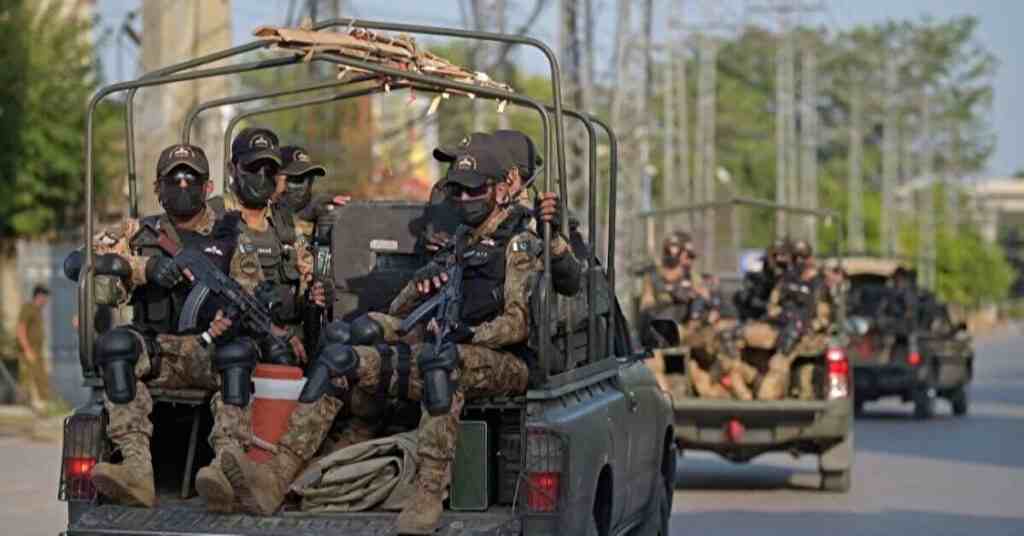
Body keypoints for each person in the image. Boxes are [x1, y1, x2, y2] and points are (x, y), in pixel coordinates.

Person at [218, 135, 557, 534]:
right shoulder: (460, 242)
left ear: (501, 190)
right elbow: (401, 312)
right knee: (339, 359)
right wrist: (421, 285)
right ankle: (276, 475)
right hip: (441, 350)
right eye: (457, 191)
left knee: (440, 360)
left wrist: (470, 332)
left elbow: (518, 323)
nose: (465, 199)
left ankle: (428, 493)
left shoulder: (519, 242)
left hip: (504, 363)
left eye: (475, 190)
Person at [79, 143, 264, 509]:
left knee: (239, 352)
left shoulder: (230, 236)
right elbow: (81, 261)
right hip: (157, 352)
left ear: (207, 187)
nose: (182, 186)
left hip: (207, 352)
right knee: (116, 345)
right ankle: (136, 470)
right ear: (157, 187)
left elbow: (249, 292)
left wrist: (227, 317)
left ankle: (226, 468)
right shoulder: (137, 232)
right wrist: (144, 268)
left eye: (191, 179)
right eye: (173, 179)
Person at [756, 245, 832, 400]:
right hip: (779, 327)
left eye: (803, 257)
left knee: (784, 358)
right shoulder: (786, 280)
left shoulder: (819, 285)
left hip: (805, 334)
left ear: (810, 259)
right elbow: (772, 307)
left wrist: (807, 325)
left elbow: (823, 318)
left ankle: (766, 396)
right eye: (796, 257)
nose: (799, 261)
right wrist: (784, 316)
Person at [15, 285, 50, 412]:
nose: (46, 301)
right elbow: (21, 329)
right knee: (30, 379)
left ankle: (41, 406)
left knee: (41, 378)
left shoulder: (38, 311)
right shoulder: (28, 308)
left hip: (37, 351)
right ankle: (27, 406)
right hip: (29, 351)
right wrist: (27, 350)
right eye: (45, 298)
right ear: (39, 296)